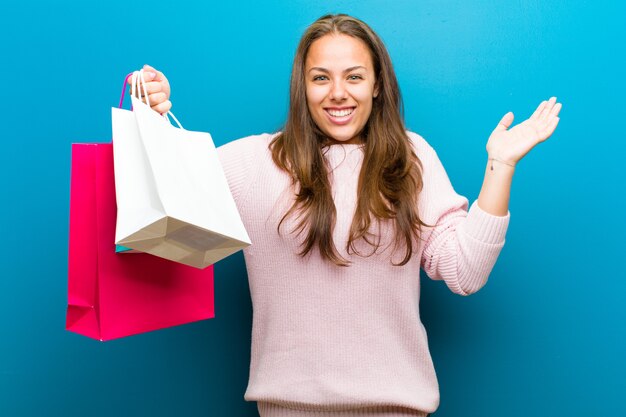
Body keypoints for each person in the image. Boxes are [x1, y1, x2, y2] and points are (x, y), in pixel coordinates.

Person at [131, 13, 561, 417]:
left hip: (398, 408)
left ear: (377, 84)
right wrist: (147, 112)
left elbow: (465, 273)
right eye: (321, 78)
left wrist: (500, 166)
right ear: (303, 86)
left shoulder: (411, 159)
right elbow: (163, 200)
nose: (338, 92)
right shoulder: (253, 163)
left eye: (354, 76)